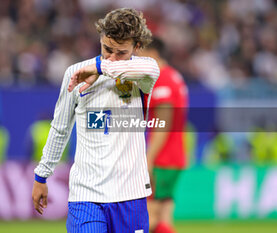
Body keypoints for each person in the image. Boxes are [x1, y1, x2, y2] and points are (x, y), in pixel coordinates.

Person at [32, 8, 160, 232]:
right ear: (100, 39)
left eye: (121, 52)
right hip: (86, 196)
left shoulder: (142, 76)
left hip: (130, 196)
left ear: (137, 47)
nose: (112, 57)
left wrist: (100, 68)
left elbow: (152, 67)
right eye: (107, 49)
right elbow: (60, 128)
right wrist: (42, 175)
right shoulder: (75, 73)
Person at [140, 37, 188, 233]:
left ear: (152, 54)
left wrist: (149, 159)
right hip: (174, 157)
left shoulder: (161, 78)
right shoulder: (174, 76)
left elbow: (163, 124)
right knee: (164, 216)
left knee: (148, 217)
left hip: (163, 159)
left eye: (139, 54)